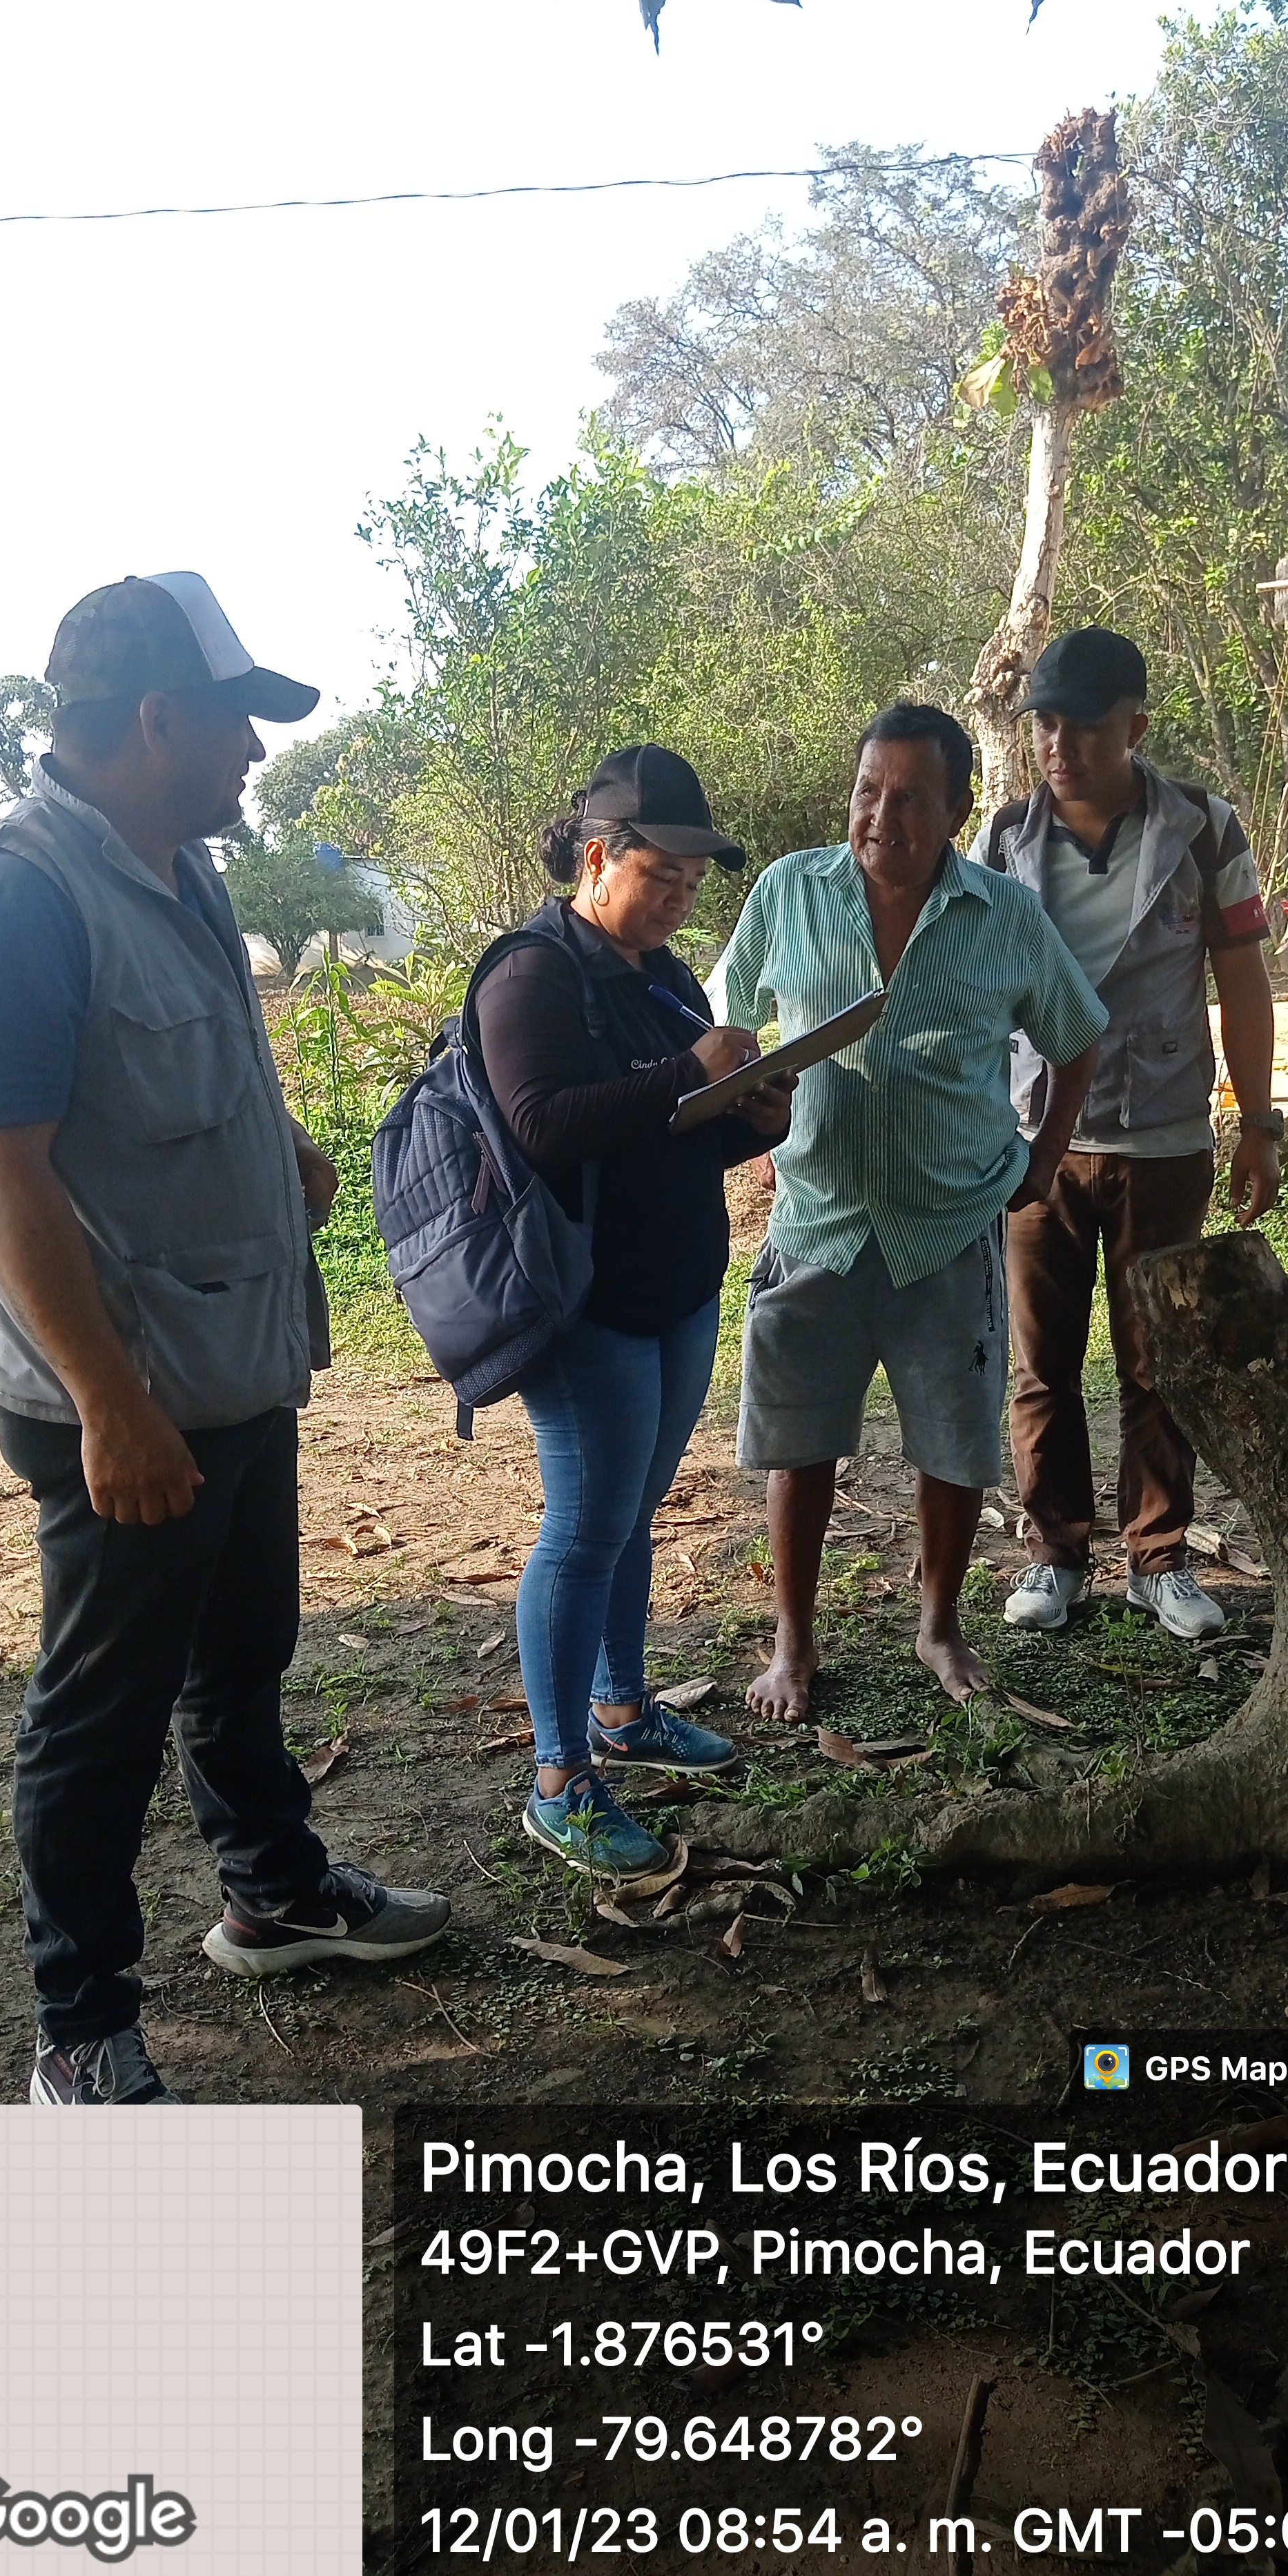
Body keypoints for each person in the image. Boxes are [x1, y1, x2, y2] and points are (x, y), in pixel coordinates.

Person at [0, 572, 452, 2107]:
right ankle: (80, 2028)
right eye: (238, 722)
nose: (255, 753)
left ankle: (273, 1892)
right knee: (100, 1718)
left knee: (242, 1654)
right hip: (130, 1399)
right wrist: (110, 1403)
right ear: (156, 719)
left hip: (232, 1367)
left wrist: (281, 1150)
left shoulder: (187, 868)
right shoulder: (13, 895)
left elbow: (194, 1058)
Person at [710, 701, 1109, 1724]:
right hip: (817, 1222)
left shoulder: (1005, 916)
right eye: (868, 792)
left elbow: (1077, 1038)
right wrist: (746, 1092)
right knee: (800, 1446)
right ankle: (792, 1642)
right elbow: (724, 1023)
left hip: (948, 1230)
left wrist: (1042, 1163)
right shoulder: (788, 892)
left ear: (958, 810)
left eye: (912, 798)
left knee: (952, 1446)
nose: (883, 818)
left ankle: (938, 1625)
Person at [472, 745, 792, 1875]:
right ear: (597, 857)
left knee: (631, 1511)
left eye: (691, 886)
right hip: (587, 1304)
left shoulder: (667, 977)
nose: (676, 901)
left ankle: (621, 1707)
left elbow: (676, 1135)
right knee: (583, 1528)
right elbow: (541, 1126)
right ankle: (559, 1777)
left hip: (676, 1291)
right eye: (659, 877)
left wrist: (755, 1117)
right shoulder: (531, 973)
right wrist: (686, 1073)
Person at [972, 627, 1281, 1641]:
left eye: (1084, 727)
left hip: (1163, 1139)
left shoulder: (1202, 829)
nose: (1058, 747)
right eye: (1044, 726)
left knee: (1158, 1360)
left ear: (1135, 727)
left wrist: (1257, 1124)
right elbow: (972, 991)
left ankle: (1158, 1557)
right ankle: (1055, 1552)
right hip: (1038, 1144)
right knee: (1042, 1363)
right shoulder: (1003, 842)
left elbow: (1242, 979)